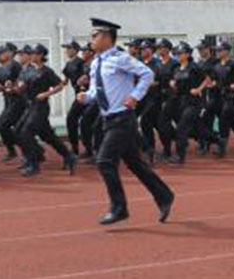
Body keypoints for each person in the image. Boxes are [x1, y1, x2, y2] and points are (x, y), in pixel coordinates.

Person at [77, 18, 174, 226]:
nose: (91, 39)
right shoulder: (96, 62)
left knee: (104, 161)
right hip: (108, 119)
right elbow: (97, 90)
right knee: (135, 164)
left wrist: (135, 96)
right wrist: (87, 97)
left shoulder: (121, 58)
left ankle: (119, 208)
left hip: (123, 118)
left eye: (95, 35)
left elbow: (147, 73)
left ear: (106, 37)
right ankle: (165, 196)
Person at [17, 44, 75, 177]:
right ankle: (68, 156)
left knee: (25, 132)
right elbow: (20, 87)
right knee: (47, 135)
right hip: (29, 106)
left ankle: (34, 164)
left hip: (40, 107)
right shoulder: (27, 70)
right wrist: (17, 87)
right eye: (31, 53)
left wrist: (46, 94)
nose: (32, 55)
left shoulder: (46, 71)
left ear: (42, 55)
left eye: (35, 53)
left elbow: (60, 85)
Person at [169, 42, 210, 165]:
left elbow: (207, 79)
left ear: (187, 54)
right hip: (181, 101)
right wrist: (173, 85)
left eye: (180, 53)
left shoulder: (194, 67)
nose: (178, 55)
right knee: (197, 128)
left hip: (194, 102)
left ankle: (180, 156)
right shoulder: (176, 68)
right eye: (176, 53)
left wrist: (198, 89)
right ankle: (217, 140)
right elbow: (176, 84)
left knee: (181, 128)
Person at [0, 44, 24, 161]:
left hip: (18, 101)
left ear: (9, 53)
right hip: (8, 101)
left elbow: (22, 83)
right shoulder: (1, 68)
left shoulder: (16, 66)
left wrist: (12, 87)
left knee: (2, 125)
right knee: (19, 128)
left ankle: (21, 150)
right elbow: (1, 83)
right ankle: (30, 150)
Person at [61, 40, 86, 157]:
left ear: (76, 50)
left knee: (76, 119)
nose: (67, 50)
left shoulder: (81, 63)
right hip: (78, 95)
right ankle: (75, 148)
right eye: (66, 48)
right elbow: (65, 81)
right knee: (72, 120)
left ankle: (88, 149)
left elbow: (85, 78)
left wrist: (82, 90)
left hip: (85, 95)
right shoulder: (68, 64)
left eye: (69, 48)